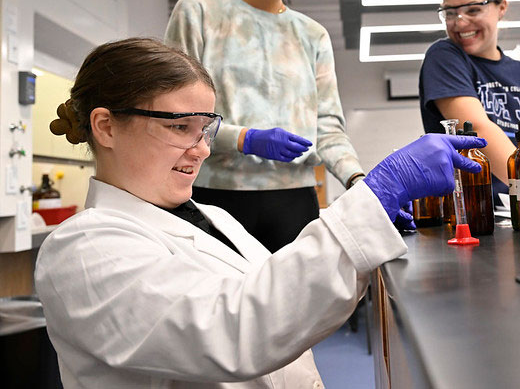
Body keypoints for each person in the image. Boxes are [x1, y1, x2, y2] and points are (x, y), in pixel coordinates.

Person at [37, 37, 485, 388]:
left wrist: (371, 221)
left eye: (205, 129)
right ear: (106, 126)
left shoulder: (215, 218)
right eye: (179, 127)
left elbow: (286, 296)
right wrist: (373, 199)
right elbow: (236, 332)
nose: (201, 150)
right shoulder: (81, 250)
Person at [165, 0, 363, 253]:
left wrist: (359, 180)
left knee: (299, 306)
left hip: (296, 201)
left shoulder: (312, 35)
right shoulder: (199, 12)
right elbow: (177, 116)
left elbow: (328, 128)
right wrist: (244, 139)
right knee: (222, 305)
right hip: (217, 197)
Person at [419, 0, 520, 201]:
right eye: (450, 13)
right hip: (475, 209)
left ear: (501, 7)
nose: (460, 23)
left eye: (472, 10)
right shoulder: (444, 56)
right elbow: (477, 129)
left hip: (519, 204)